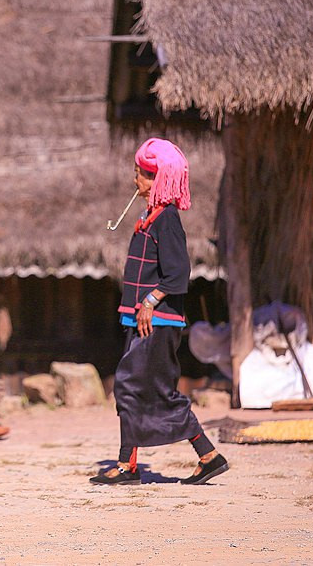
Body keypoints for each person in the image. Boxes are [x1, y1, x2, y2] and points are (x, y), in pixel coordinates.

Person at [90, 138, 228, 486]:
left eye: (144, 174)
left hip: (157, 321)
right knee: (134, 388)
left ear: (161, 180)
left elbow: (178, 274)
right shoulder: (149, 216)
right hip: (142, 320)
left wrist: (150, 302)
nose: (136, 179)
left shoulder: (166, 220)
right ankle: (134, 464)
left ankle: (204, 456)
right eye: (138, 172)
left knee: (144, 388)